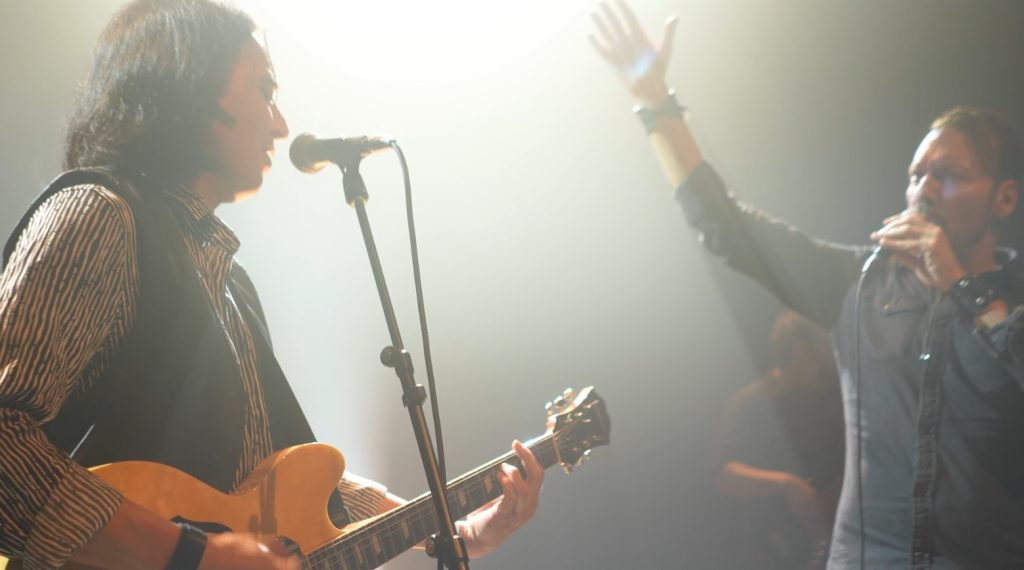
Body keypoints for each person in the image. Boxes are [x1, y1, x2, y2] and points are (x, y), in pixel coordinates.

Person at [0, 1, 542, 568]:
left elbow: (277, 479)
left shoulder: (230, 283)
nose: (280, 124)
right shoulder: (99, 214)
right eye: (264, 89)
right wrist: (193, 555)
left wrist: (449, 529)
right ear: (191, 88)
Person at [590, 1, 1024, 567]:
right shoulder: (860, 283)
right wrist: (654, 103)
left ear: (1004, 198)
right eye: (917, 175)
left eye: (950, 176)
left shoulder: (1012, 301)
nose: (923, 192)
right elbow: (728, 228)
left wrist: (960, 285)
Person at [715, 311, 843, 569]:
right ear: (789, 356)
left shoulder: (828, 394)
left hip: (838, 539)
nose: (821, 368)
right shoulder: (750, 404)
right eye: (812, 360)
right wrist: (786, 484)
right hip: (786, 547)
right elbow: (724, 475)